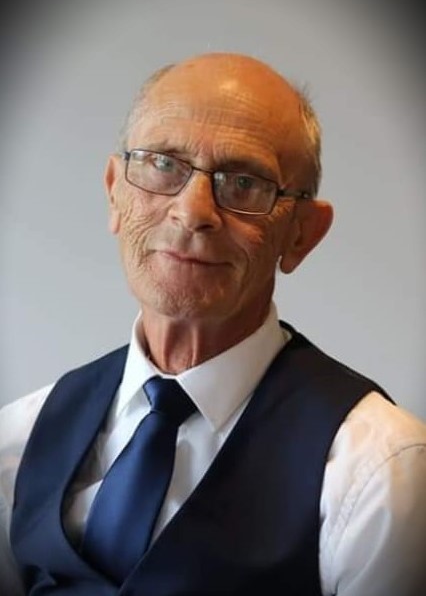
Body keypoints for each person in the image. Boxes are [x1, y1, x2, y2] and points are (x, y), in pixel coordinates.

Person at [0, 52, 425, 596]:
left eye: (244, 182)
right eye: (163, 164)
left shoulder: (380, 474)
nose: (193, 211)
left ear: (302, 234)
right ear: (114, 191)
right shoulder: (19, 439)